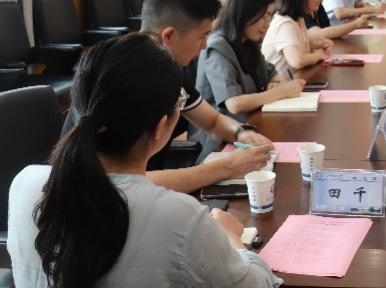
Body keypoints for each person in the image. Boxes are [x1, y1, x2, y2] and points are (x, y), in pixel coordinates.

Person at [8, 33, 281, 287]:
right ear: (162, 127)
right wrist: (232, 237)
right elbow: (258, 283)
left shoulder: (23, 183)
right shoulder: (177, 217)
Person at [61, 0, 273, 194]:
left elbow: (213, 122)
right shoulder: (119, 75)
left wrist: (240, 133)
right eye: (202, 36)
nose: (204, 46)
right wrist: (226, 167)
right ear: (169, 36)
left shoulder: (166, 69)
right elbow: (120, 182)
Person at [195, 0, 306, 155]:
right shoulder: (216, 47)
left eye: (270, 15)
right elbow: (235, 104)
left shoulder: (247, 41)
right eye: (263, 16)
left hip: (250, 127)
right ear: (245, 11)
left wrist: (276, 83)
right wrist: (281, 91)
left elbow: (272, 72)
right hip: (219, 142)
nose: (267, 23)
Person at [262, 0, 334, 74]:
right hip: (279, 82)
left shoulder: (298, 18)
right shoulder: (285, 23)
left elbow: (298, 47)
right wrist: (319, 55)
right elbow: (297, 60)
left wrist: (317, 44)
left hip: (292, 80)